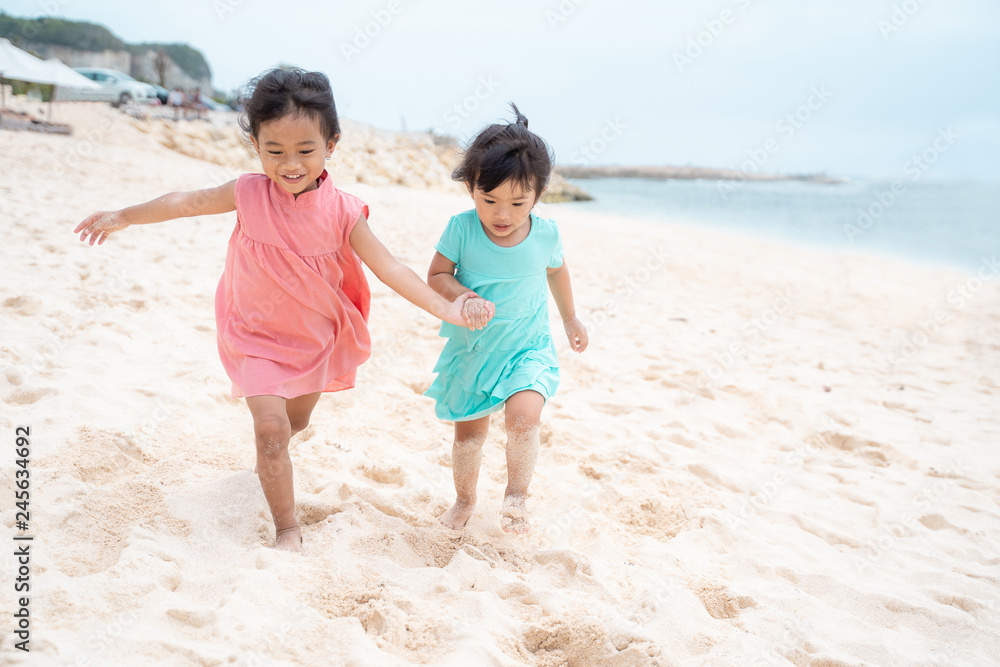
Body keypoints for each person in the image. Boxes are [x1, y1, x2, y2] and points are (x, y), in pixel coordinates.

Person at [73, 68, 487, 552]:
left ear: (331, 144)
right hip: (253, 331)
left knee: (295, 425)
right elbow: (186, 202)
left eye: (305, 151)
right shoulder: (247, 192)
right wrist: (123, 216)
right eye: (275, 151)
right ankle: (288, 528)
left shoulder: (344, 211)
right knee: (270, 431)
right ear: (255, 145)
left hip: (315, 337)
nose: (290, 164)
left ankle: (270, 462)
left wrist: (448, 308)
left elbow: (390, 268)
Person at [425, 103, 588, 535]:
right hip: (474, 349)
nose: (501, 214)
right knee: (469, 436)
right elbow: (437, 275)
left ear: (538, 194)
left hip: (527, 348)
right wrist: (465, 296)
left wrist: (570, 319)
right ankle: (463, 500)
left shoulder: (546, 234)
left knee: (524, 417)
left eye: (517, 202)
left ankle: (516, 496)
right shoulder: (461, 229)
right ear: (471, 189)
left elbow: (557, 270)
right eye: (489, 199)